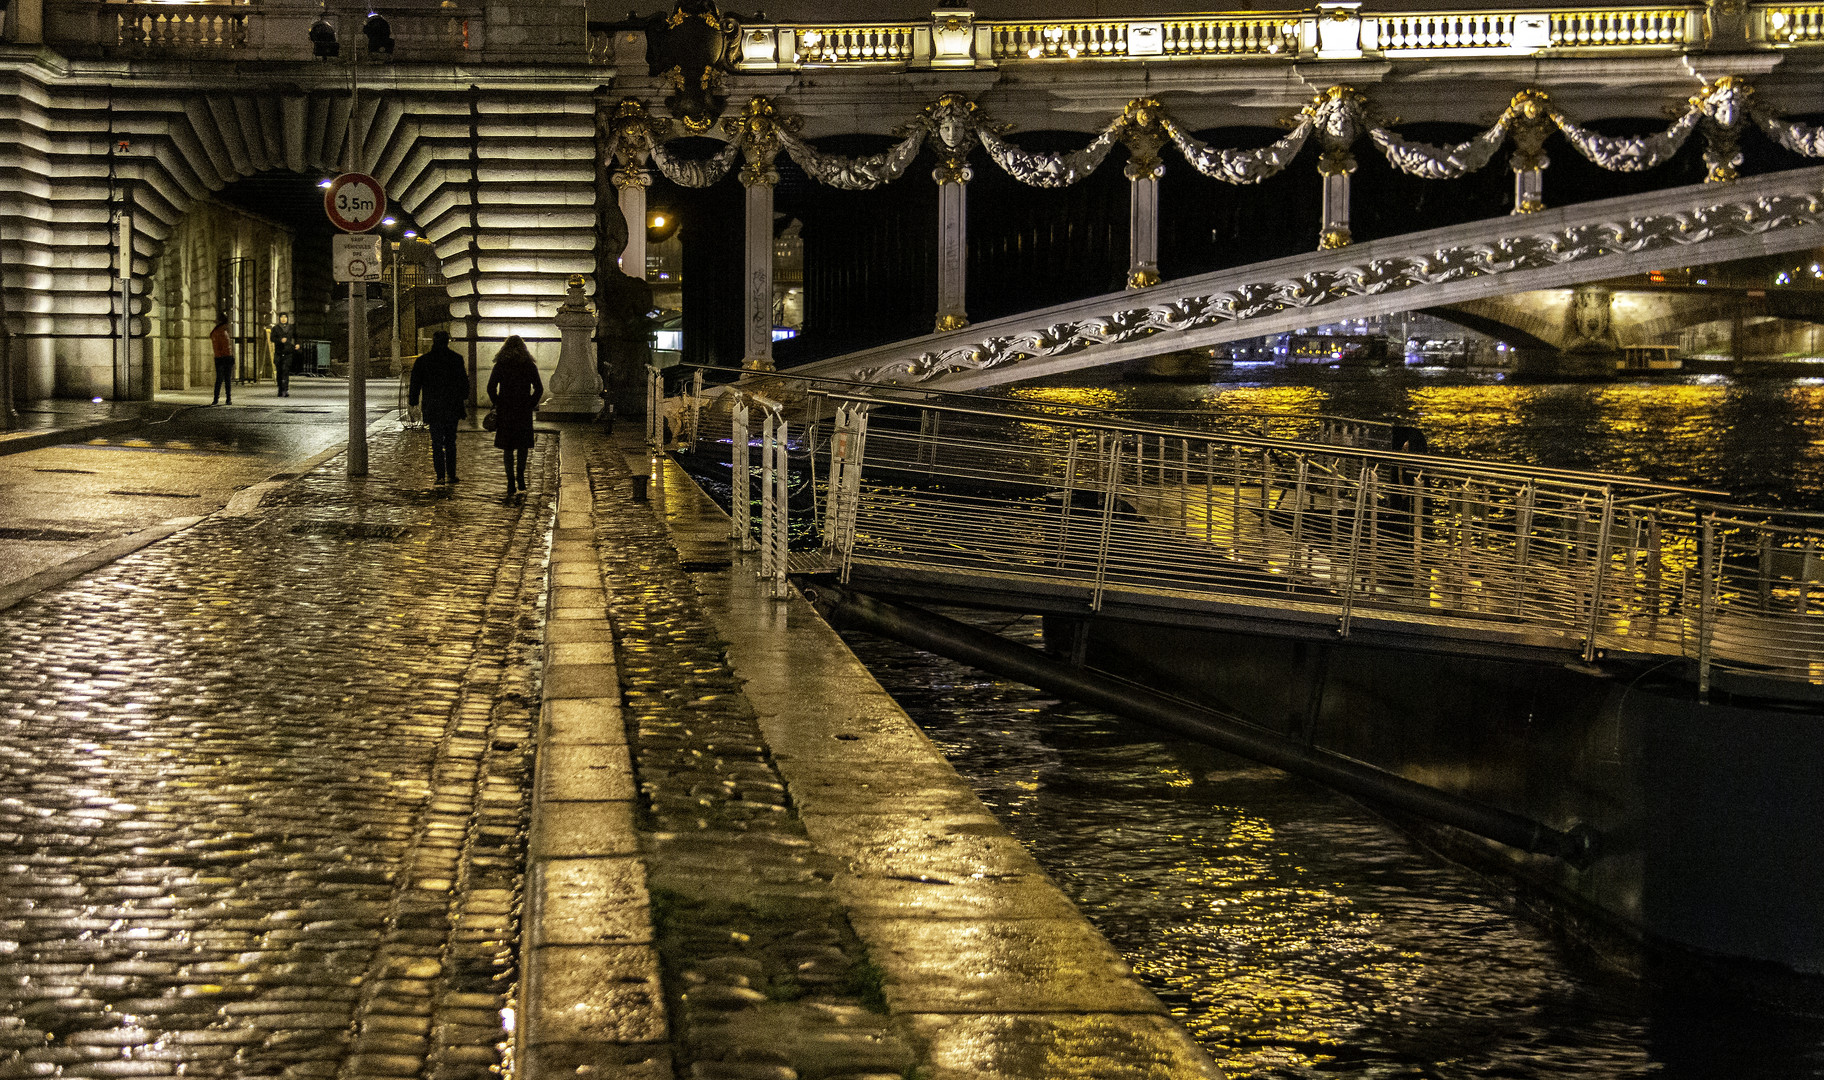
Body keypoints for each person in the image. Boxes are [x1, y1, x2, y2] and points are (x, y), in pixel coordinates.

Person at [409, 330, 470, 484]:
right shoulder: (456, 359)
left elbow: (415, 383)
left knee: (436, 442)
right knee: (450, 441)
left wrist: (413, 401)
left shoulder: (424, 361)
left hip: (433, 406)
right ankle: (451, 474)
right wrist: (463, 397)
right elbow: (463, 382)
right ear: (447, 341)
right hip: (452, 406)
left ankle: (440, 476)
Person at [486, 335, 542, 500]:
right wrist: (530, 403)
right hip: (523, 410)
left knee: (508, 448)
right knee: (523, 446)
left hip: (506, 410)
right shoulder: (529, 365)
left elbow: (491, 388)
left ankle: (510, 482)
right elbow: (538, 388)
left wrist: (498, 403)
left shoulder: (501, 365)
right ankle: (521, 478)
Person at [209, 315, 234, 405]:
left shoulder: (215, 332)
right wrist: (229, 357)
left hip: (219, 358)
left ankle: (216, 399)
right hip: (225, 358)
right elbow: (226, 347)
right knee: (226, 379)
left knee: (219, 379)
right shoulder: (222, 332)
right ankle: (228, 399)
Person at [269, 313, 294, 397]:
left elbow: (295, 336)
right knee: (279, 371)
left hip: (288, 352)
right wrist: (280, 340)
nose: (283, 319)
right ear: (279, 318)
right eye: (282, 317)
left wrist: (296, 344)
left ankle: (285, 389)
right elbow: (272, 338)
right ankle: (280, 389)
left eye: (285, 317)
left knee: (285, 371)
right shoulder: (275, 328)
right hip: (279, 352)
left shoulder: (291, 327)